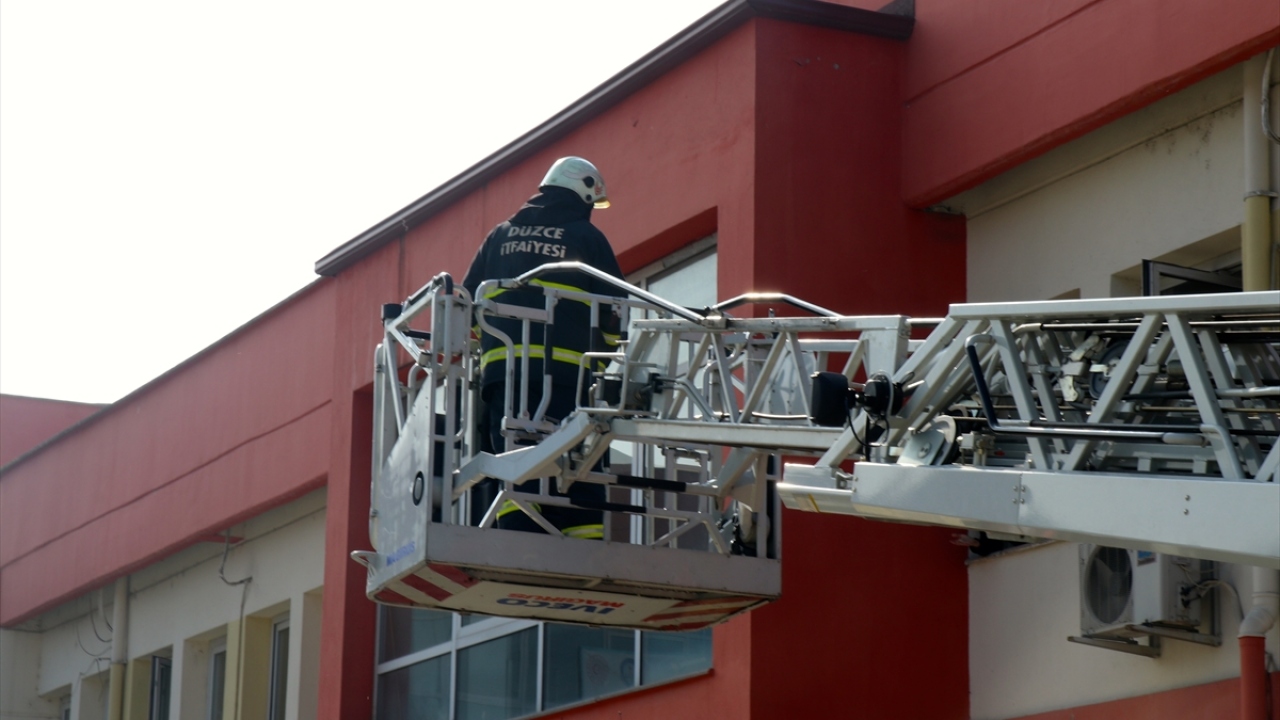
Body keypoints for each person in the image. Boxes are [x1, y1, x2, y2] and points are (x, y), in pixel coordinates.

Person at [462, 156, 626, 539]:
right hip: (569, 378)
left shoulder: (499, 236)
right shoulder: (587, 238)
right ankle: (584, 548)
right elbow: (616, 310)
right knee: (578, 464)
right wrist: (609, 357)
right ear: (582, 192)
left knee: (511, 460)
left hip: (504, 377)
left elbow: (467, 307)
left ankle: (515, 541)